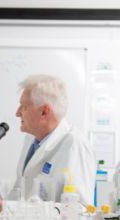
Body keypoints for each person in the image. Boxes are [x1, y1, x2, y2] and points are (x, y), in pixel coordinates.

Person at [8, 74, 95, 206]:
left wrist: (28, 210)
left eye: (24, 107)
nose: (17, 113)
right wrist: (4, 206)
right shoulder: (31, 139)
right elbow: (20, 191)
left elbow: (81, 208)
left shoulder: (74, 144)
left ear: (44, 111)